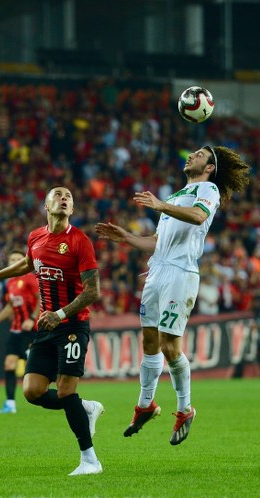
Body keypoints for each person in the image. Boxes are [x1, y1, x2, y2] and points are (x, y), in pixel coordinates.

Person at [95, 146, 250, 445]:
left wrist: (159, 205)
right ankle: (145, 404)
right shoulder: (176, 195)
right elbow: (157, 242)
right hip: (157, 271)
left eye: (199, 155)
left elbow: (197, 215)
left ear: (209, 167)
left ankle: (185, 409)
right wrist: (126, 237)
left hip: (181, 272)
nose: (191, 156)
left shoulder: (208, 189)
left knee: (169, 345)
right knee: (150, 342)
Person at [0, 185, 104, 476]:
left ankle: (90, 460)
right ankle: (86, 408)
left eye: (69, 196)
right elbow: (27, 264)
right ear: (46, 205)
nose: (64, 198)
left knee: (67, 390)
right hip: (46, 328)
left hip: (72, 324)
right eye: (58, 194)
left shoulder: (79, 241)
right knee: (32, 391)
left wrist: (59, 314)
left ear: (72, 207)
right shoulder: (36, 237)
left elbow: (92, 291)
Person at [0, 249, 40, 414]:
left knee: (34, 366)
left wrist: (31, 319)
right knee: (9, 364)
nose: (16, 262)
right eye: (13, 260)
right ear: (9, 263)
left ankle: (56, 391)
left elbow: (41, 298)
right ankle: (10, 404)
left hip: (31, 329)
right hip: (15, 329)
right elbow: (11, 306)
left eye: (19, 259)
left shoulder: (30, 278)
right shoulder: (10, 282)